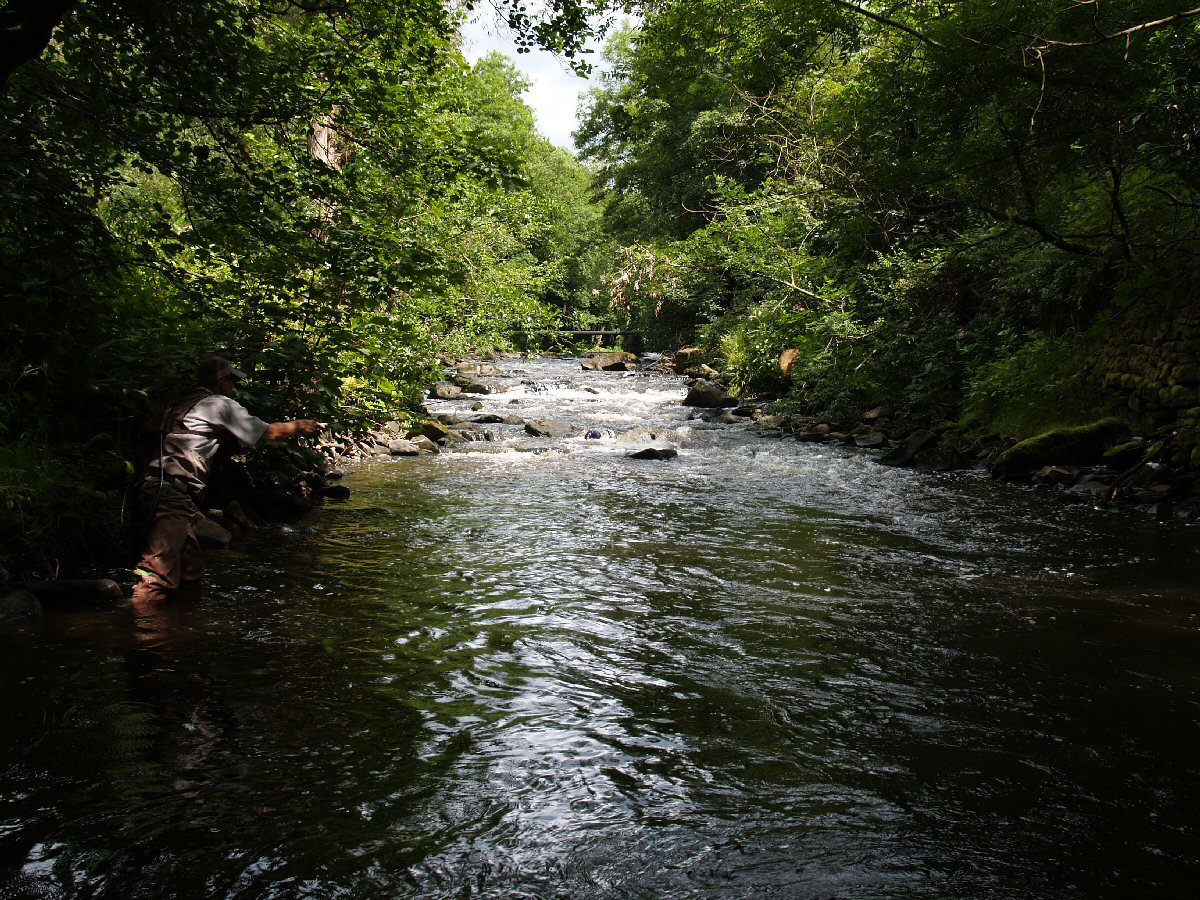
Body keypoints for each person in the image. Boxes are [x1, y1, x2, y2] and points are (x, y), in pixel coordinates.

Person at [131, 355, 324, 605]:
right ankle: (144, 639)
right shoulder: (219, 405)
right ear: (222, 382)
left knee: (190, 573)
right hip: (171, 495)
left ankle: (180, 628)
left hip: (154, 490)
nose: (234, 387)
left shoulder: (183, 404)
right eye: (232, 381)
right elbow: (268, 433)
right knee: (156, 580)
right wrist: (300, 425)